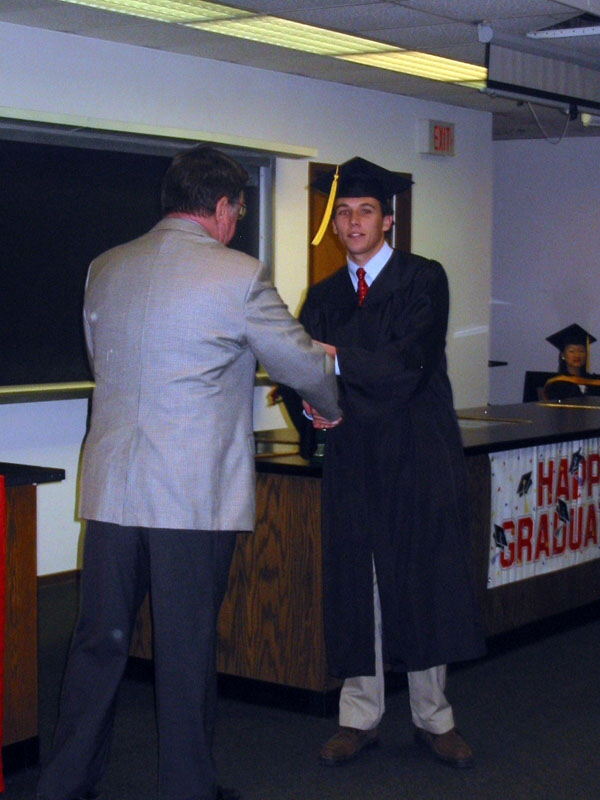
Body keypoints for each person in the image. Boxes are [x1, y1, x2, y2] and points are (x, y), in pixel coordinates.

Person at [36, 145, 341, 800]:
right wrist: (329, 405)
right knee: (185, 650)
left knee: (98, 643)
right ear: (224, 206)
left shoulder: (105, 266)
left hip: (113, 491)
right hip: (190, 499)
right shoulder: (239, 275)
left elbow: (104, 361)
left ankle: (64, 785)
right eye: (238, 211)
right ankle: (187, 788)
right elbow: (300, 363)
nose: (236, 223)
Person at [300, 157, 486, 770]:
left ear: (388, 220)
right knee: (360, 583)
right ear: (335, 224)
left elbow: (409, 364)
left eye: (366, 210)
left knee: (421, 578)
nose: (353, 221)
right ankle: (359, 717)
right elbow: (304, 375)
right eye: (344, 212)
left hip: (416, 453)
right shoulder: (324, 295)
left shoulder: (422, 279)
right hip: (353, 457)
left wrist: (332, 361)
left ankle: (434, 719)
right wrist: (312, 409)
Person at [542, 323, 600, 401]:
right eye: (571, 351)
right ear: (563, 355)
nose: (577, 355)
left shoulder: (595, 381)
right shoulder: (556, 385)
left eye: (581, 351)